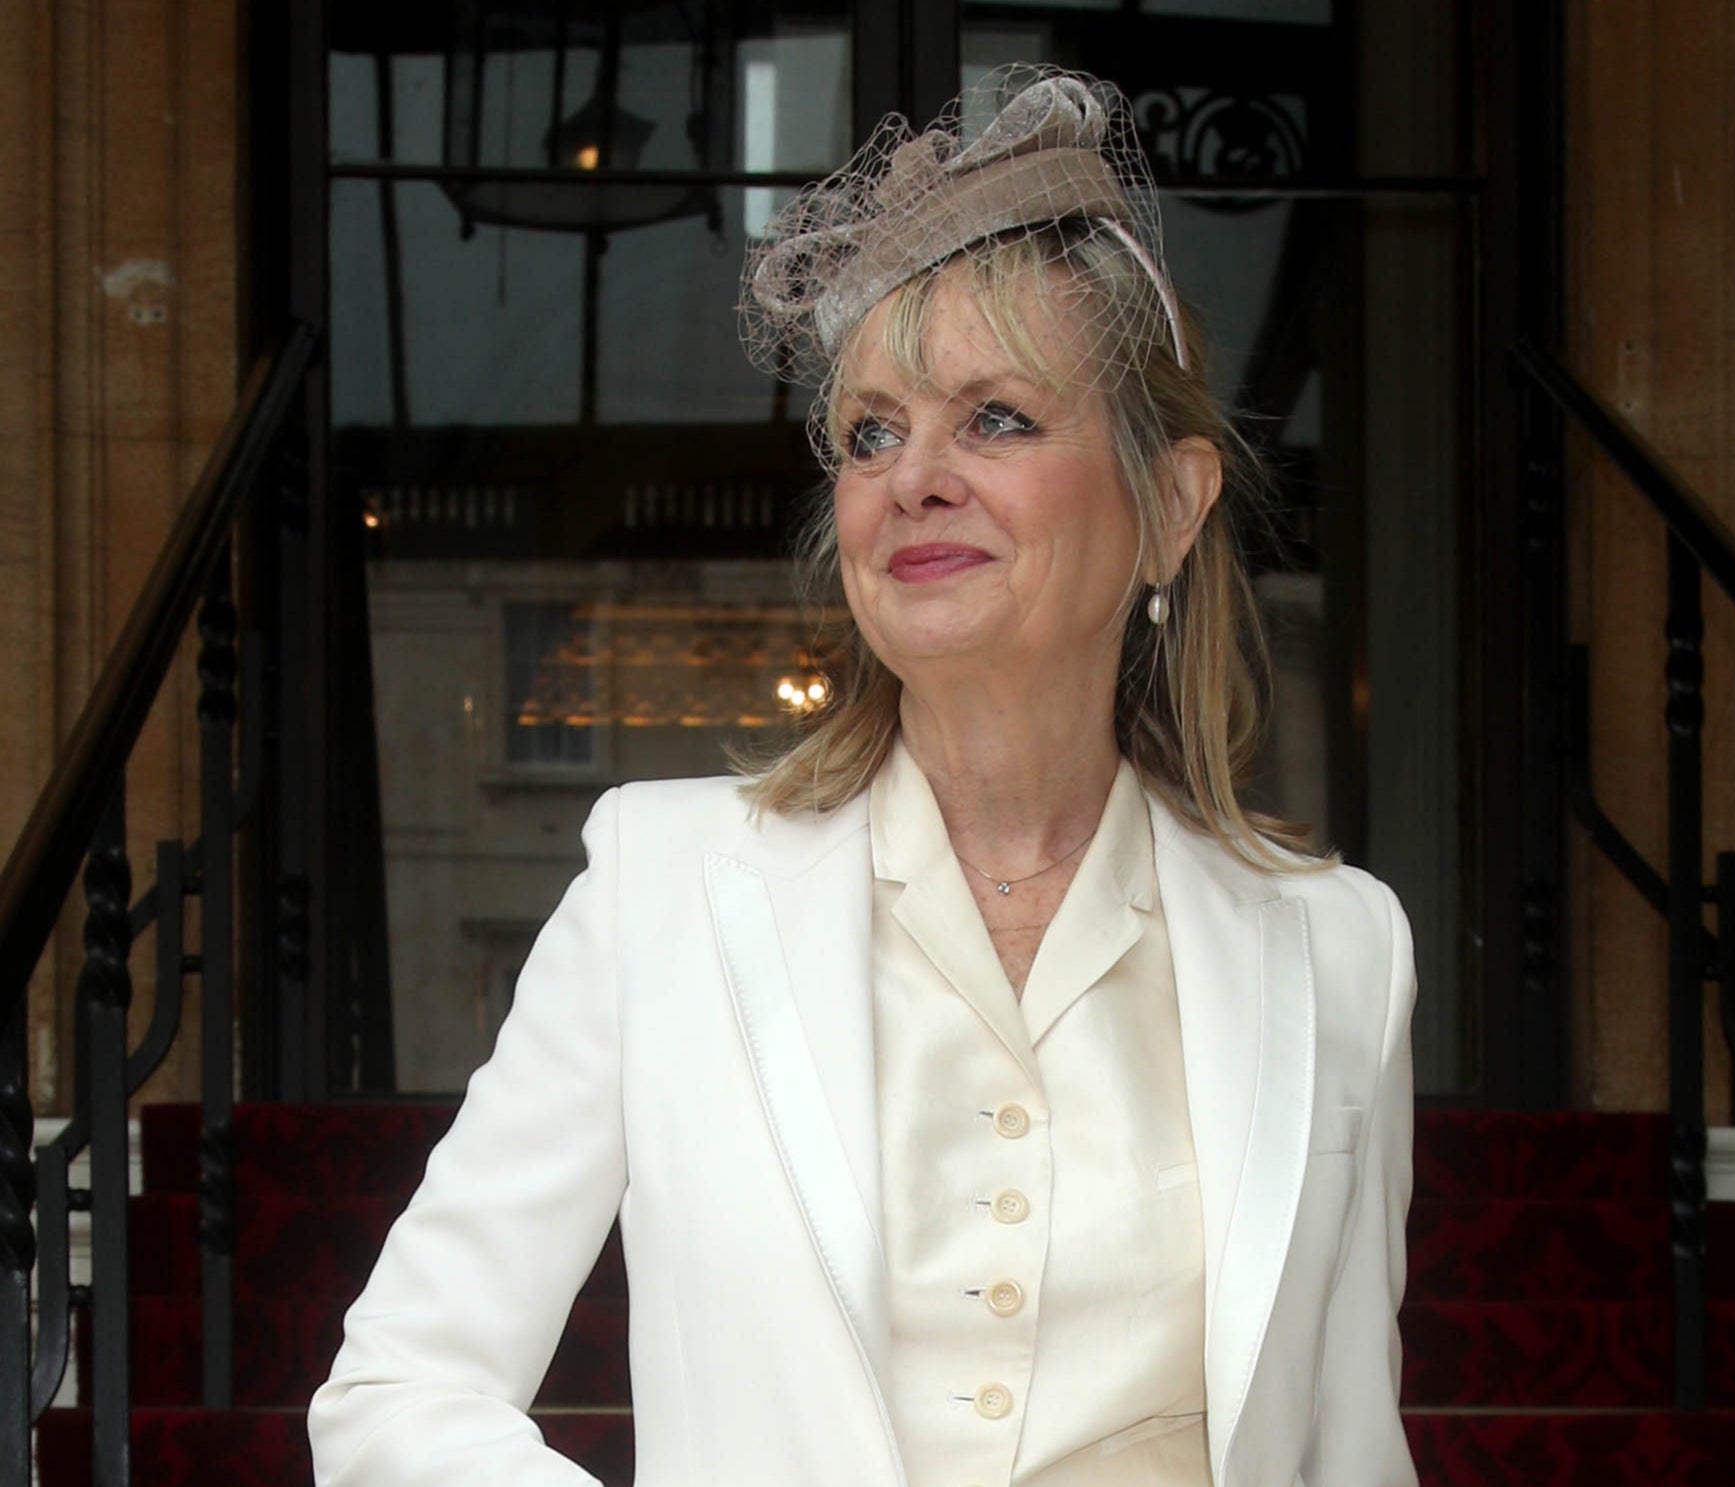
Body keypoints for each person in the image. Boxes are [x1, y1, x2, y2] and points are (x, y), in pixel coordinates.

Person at [310, 65, 1416, 1487]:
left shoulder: (1339, 949)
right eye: (872, 433)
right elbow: (402, 1386)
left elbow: (1349, 1457)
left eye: (998, 418)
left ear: (1173, 504)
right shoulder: (663, 884)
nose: (917, 477)